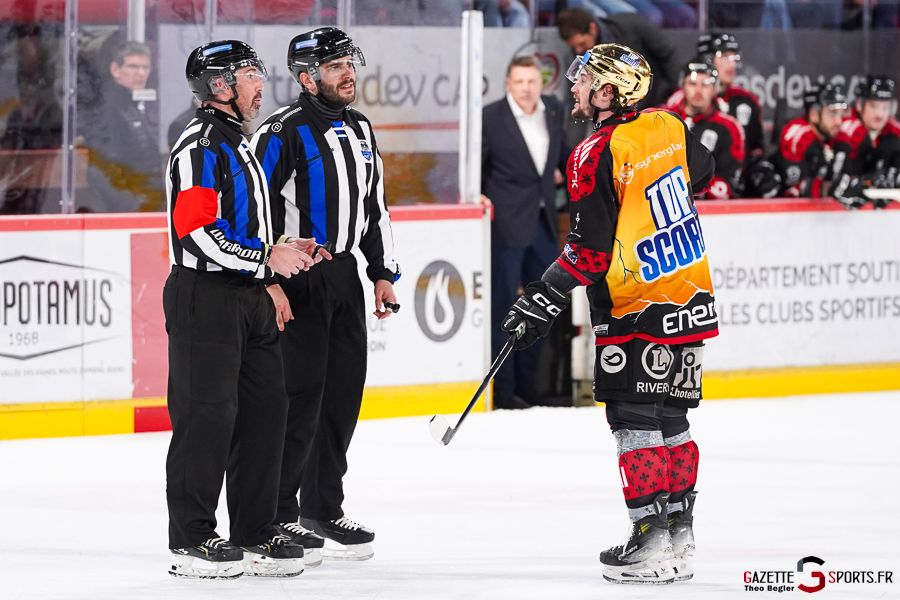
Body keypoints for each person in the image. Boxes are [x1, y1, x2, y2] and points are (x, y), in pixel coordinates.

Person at [501, 44, 718, 584]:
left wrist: (542, 295)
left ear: (608, 92)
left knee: (633, 421)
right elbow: (705, 170)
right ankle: (679, 538)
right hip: (688, 296)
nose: (573, 88)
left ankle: (649, 541)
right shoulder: (666, 123)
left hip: (634, 305)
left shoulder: (594, 151)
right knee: (673, 419)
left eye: (582, 80)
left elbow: (591, 253)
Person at [165, 39, 323, 580]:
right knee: (206, 415)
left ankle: (254, 529)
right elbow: (198, 234)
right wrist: (265, 258)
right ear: (220, 86)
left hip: (249, 295)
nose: (261, 82)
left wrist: (283, 248)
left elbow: (241, 226)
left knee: (265, 411)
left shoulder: (241, 142)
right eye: (250, 73)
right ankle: (191, 538)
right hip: (205, 298)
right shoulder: (199, 145)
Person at [250, 27, 400, 562]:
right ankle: (276, 514)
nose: (348, 73)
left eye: (349, 63)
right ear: (305, 76)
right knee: (297, 400)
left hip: (344, 276)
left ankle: (321, 507)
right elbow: (251, 209)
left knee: (341, 396)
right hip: (298, 277)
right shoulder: (281, 131)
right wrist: (266, 279)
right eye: (335, 66)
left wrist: (383, 271)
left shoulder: (359, 126)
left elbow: (374, 205)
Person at [481, 56, 569, 409]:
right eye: (520, 81)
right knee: (504, 306)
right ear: (508, 83)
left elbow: (560, 158)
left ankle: (531, 387)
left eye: (532, 81)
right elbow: (479, 166)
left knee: (542, 308)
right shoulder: (490, 117)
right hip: (505, 224)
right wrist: (479, 195)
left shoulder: (552, 110)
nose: (527, 88)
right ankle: (504, 389)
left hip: (544, 223)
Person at [79, 41, 164, 212]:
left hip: (147, 195)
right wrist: (143, 202)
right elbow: (105, 169)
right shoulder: (106, 107)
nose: (141, 73)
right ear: (115, 70)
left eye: (145, 67)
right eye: (133, 67)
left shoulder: (132, 104)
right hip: (129, 204)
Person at [665, 33, 764, 168]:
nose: (733, 64)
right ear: (707, 59)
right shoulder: (677, 103)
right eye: (725, 57)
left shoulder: (746, 100)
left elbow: (755, 148)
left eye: (735, 57)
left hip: (731, 179)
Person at [556, 8, 679, 111]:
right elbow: (577, 101)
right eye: (573, 46)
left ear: (593, 28)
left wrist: (674, 93)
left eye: (582, 44)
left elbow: (667, 53)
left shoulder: (631, 25)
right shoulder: (575, 56)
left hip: (655, 103)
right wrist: (574, 141)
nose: (578, 50)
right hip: (617, 116)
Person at [666, 58, 745, 199]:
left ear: (715, 88)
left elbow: (728, 180)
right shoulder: (662, 120)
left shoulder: (729, 127)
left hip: (711, 210)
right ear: (682, 86)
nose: (698, 90)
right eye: (692, 83)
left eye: (705, 84)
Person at [830, 76, 900, 210]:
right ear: (859, 105)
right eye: (874, 106)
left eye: (885, 108)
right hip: (841, 210)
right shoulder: (845, 130)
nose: (880, 114)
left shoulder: (894, 131)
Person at [773, 82, 847, 198]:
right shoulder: (798, 138)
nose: (839, 121)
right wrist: (830, 188)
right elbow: (792, 192)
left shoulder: (839, 136)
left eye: (841, 113)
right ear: (814, 115)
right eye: (832, 113)